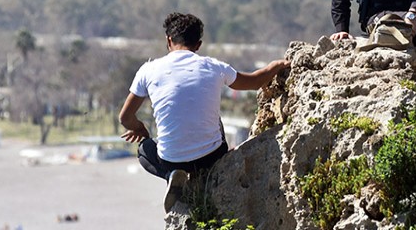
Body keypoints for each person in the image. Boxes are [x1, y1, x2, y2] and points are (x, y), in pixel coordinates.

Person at [118, 12, 290, 212]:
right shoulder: (214, 66)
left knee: (144, 150)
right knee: (215, 118)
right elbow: (254, 81)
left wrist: (141, 130)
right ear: (198, 45)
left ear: (168, 40)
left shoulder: (148, 70)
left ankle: (171, 176)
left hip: (171, 160)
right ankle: (216, 165)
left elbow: (125, 118)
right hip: (211, 157)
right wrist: (274, 66)